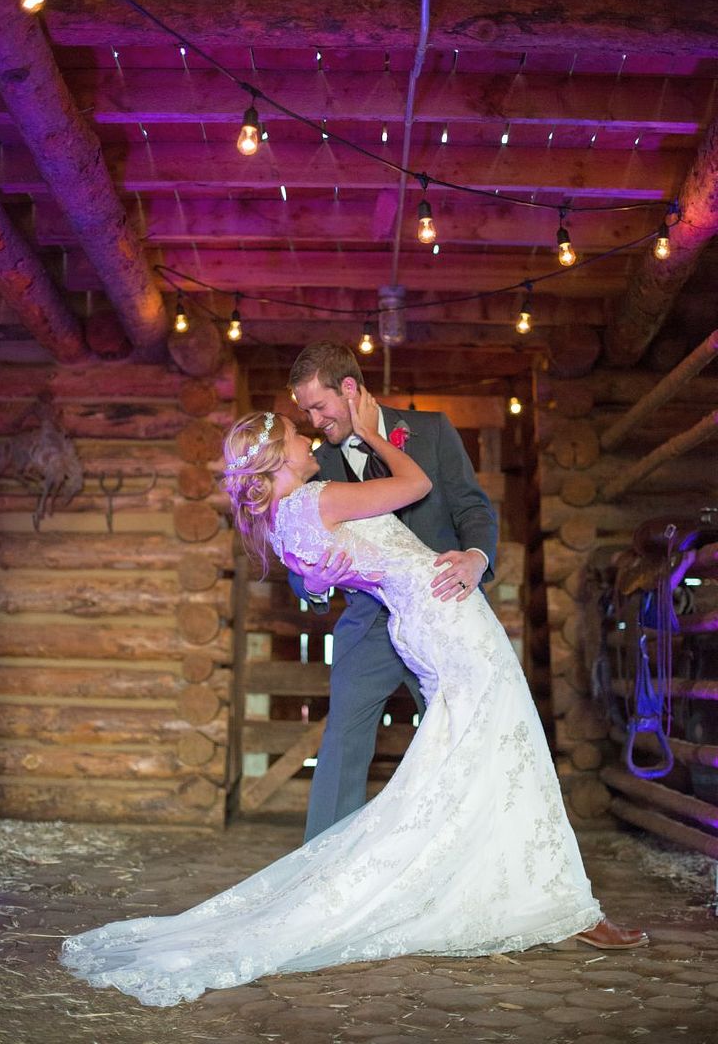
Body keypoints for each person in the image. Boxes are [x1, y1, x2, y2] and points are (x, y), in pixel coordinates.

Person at [60, 393, 647, 1008]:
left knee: (477, 753)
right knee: (506, 742)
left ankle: (516, 885)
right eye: (295, 432)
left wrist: (336, 572)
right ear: (276, 461)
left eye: (312, 415)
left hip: (430, 612)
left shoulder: (286, 519)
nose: (309, 435)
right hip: (442, 618)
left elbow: (357, 549)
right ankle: (556, 901)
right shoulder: (319, 495)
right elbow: (412, 486)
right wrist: (372, 437)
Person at [287, 341, 499, 841]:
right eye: (306, 412)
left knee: (457, 734)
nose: (314, 421)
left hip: (442, 609)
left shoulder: (433, 431)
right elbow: (298, 547)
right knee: (341, 742)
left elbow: (473, 508)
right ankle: (322, 872)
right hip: (370, 622)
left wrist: (476, 557)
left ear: (349, 388)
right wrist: (311, 585)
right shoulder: (318, 466)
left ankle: (456, 852)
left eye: (319, 406)